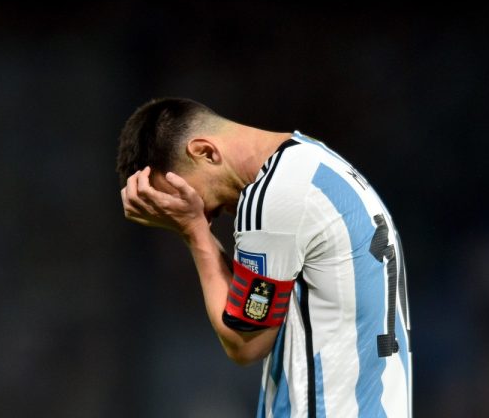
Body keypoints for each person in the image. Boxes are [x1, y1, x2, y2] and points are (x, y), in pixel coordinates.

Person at [117, 98, 412, 418]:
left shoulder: (274, 194)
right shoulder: (316, 161)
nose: (202, 210)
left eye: (186, 194)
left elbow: (246, 343)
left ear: (205, 152)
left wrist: (193, 231)